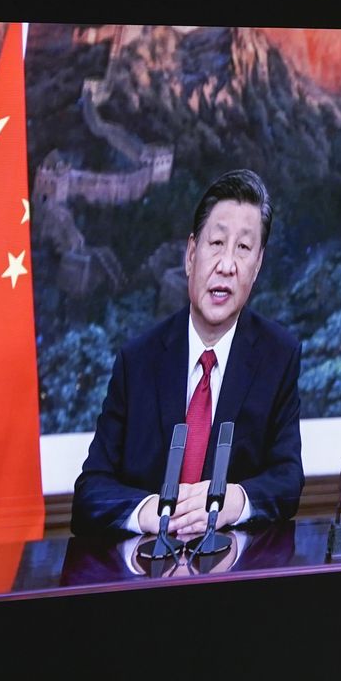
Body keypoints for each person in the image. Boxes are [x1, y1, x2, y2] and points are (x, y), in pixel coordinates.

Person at [71, 169, 303, 537]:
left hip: (234, 567)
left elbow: (287, 479)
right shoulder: (138, 361)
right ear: (192, 254)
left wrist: (237, 500)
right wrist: (148, 511)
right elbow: (90, 492)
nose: (227, 265)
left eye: (243, 249)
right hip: (148, 565)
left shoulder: (278, 356)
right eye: (217, 243)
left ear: (257, 265)